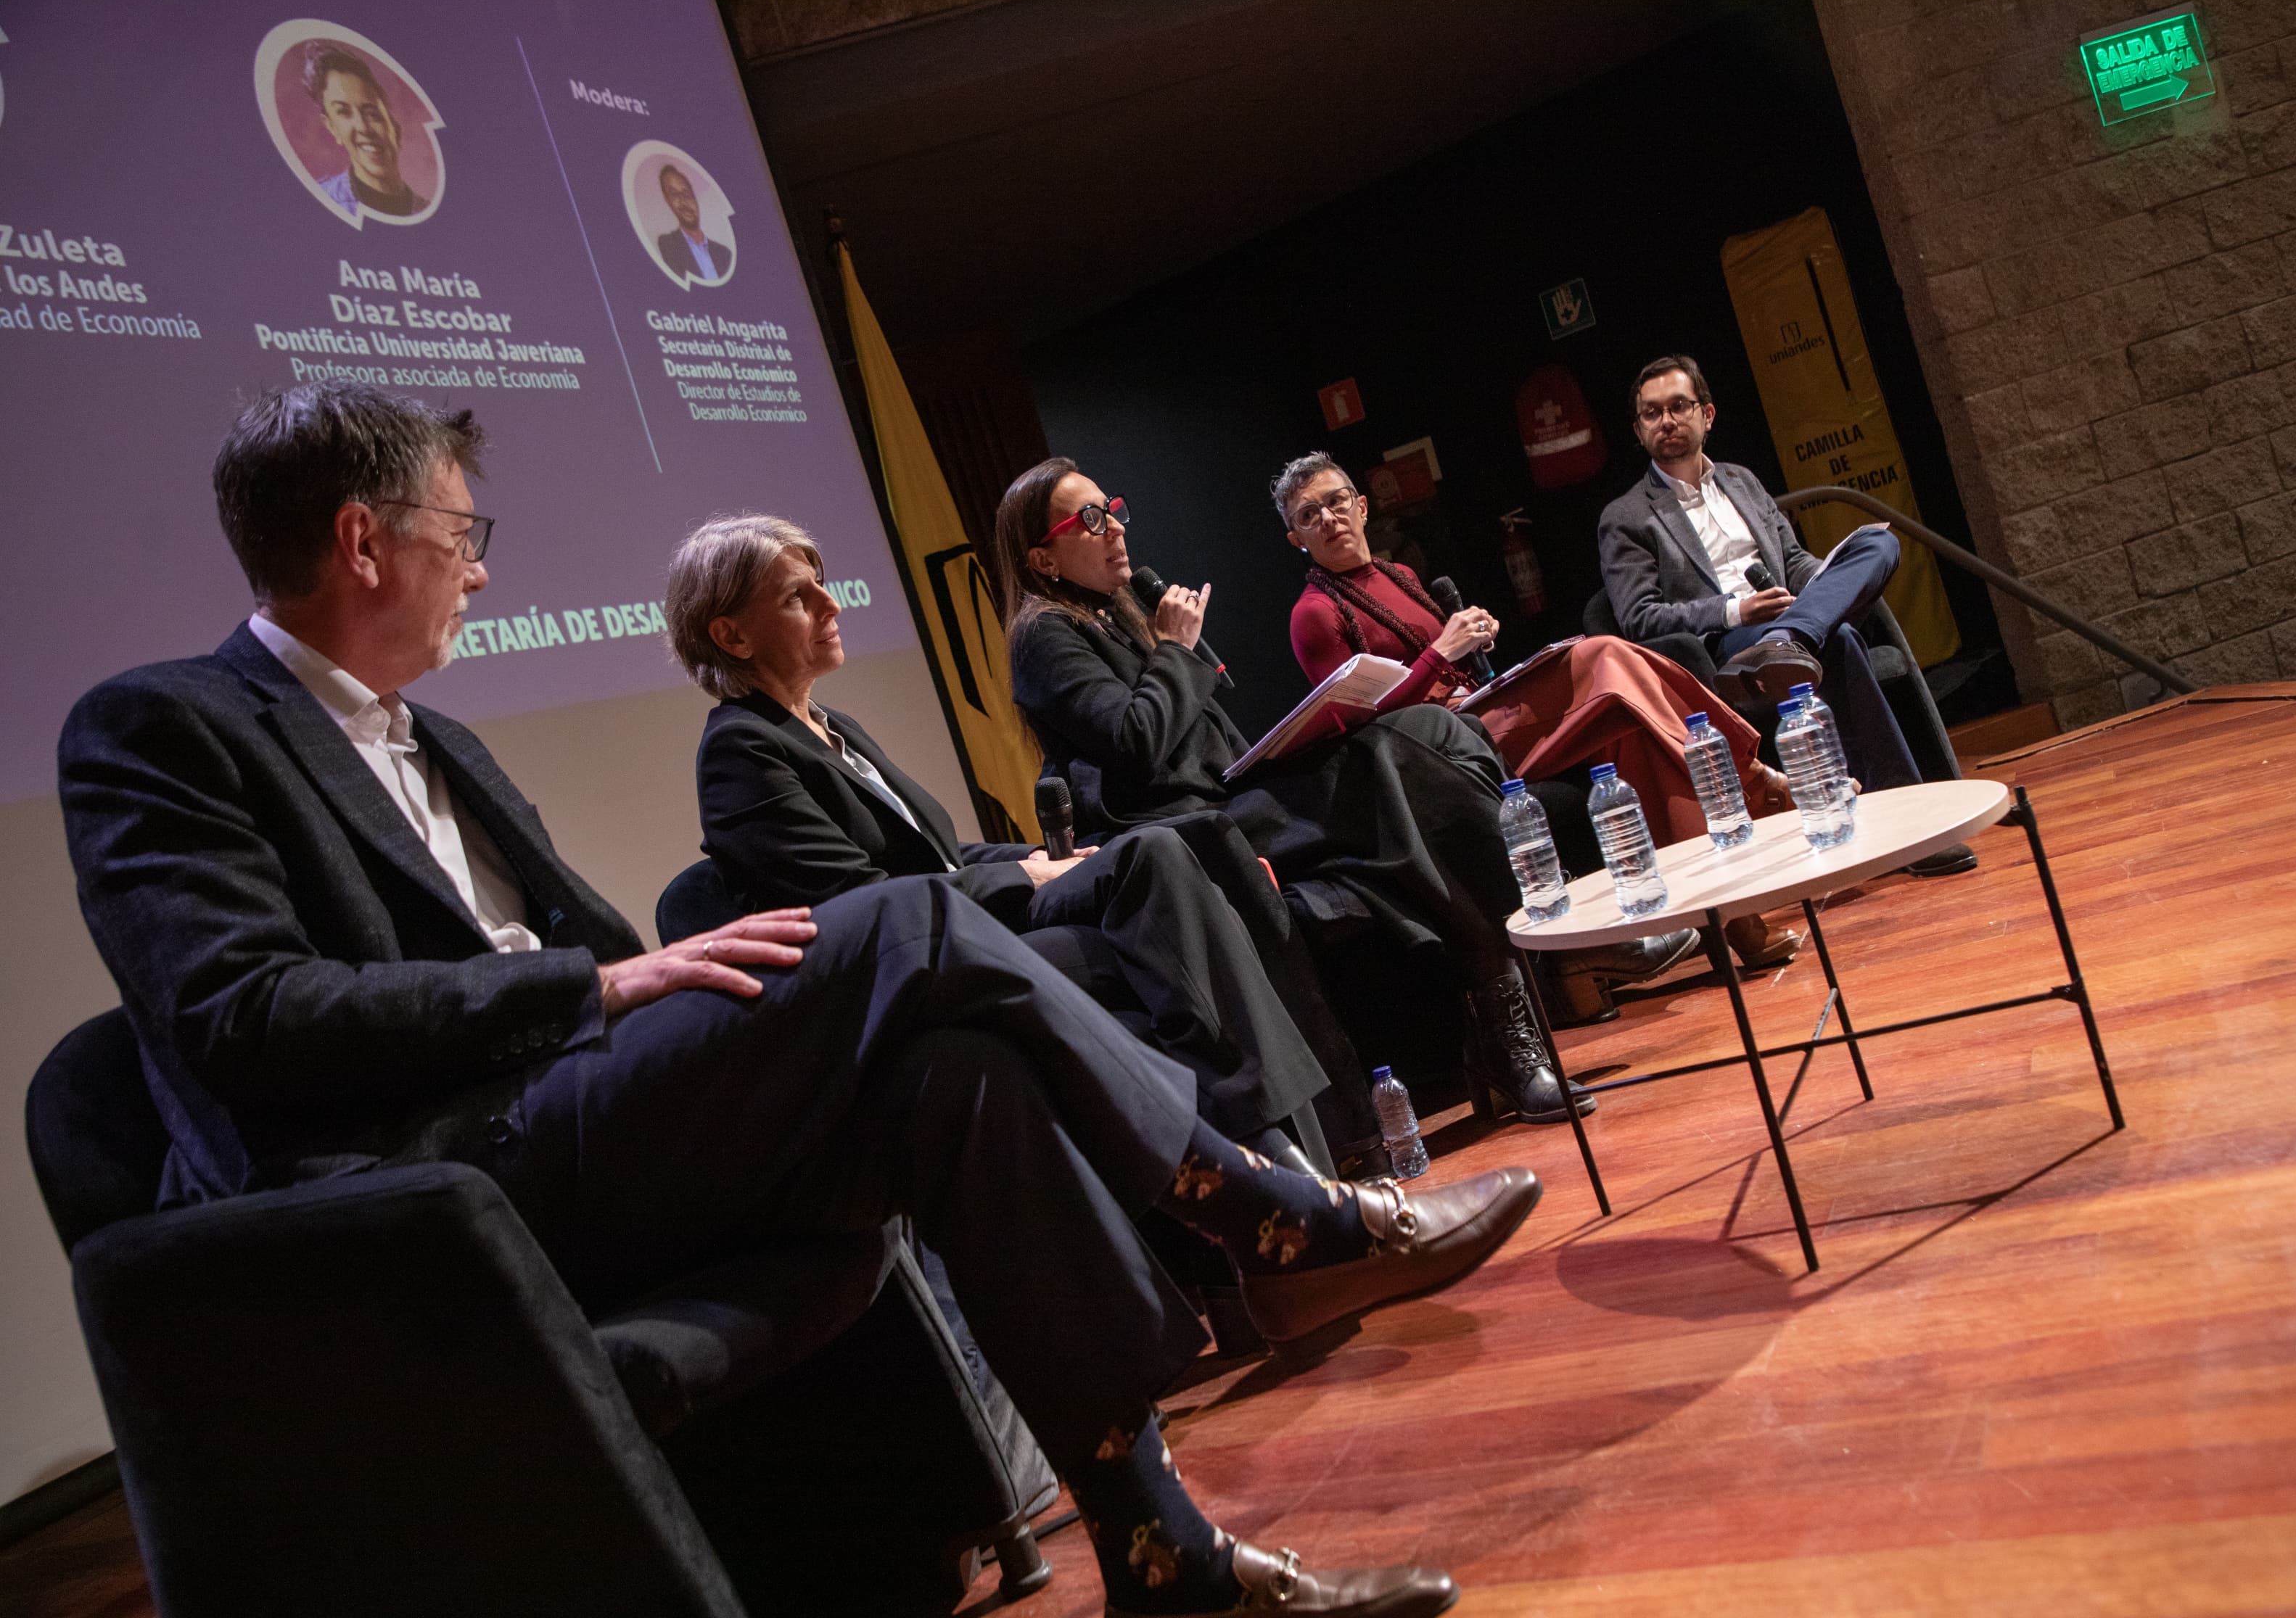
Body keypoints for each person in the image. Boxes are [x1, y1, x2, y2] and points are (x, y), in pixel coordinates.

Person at [57, 381, 1540, 1618]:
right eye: (465, 532)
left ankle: (1167, 1550)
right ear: (362, 539)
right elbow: (237, 1019)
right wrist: (601, 981)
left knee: (954, 1076)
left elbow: (596, 963)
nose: (485, 569)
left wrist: (617, 992)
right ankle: (1266, 1208)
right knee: (904, 920)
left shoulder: (438, 740)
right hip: (418, 1188)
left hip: (567, 1118)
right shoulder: (165, 728)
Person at [674, 511, 1350, 1159]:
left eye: (823, 581)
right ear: (733, 636)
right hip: (911, 976)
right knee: (1163, 926)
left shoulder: (832, 726)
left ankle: (1297, 1148)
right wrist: (1025, 877)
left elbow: (934, 852)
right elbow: (863, 905)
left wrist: (1032, 854)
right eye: (799, 596)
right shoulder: (741, 752)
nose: (832, 604)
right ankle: (1293, 1163)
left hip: (961, 929)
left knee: (1159, 849)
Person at [984, 457, 1592, 1128]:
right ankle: (1543, 949)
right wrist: (1177, 651)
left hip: (1230, 798)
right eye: (1090, 519)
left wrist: (1278, 745)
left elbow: (1198, 742)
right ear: (1042, 559)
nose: (1115, 529)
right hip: (1183, 834)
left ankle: (1513, 997)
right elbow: (1138, 741)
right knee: (1396, 758)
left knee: (1416, 730)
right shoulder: (1044, 636)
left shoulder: (1115, 614)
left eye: (1113, 509)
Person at [1275, 450, 1802, 983]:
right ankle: (1750, 774)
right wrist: (1441, 652)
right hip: (1451, 752)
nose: (1328, 519)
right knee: (1605, 655)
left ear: (1361, 507)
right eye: (1308, 515)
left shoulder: (1399, 573)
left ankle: (1733, 923)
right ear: (1296, 539)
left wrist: (1471, 638)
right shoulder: (1313, 614)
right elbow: (1358, 726)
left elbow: (1447, 662)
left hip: (1481, 710)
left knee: (1628, 734)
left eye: (1336, 501)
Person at [1596, 354, 1975, 875]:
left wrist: (1829, 576)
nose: (1665, 421)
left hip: (1788, 623)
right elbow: (1639, 618)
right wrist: (1734, 610)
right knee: (1838, 638)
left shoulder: (1743, 482)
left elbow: (1792, 563)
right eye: (1650, 413)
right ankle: (1912, 832)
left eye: (1678, 406)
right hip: (1730, 649)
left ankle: (1796, 635)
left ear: (1707, 414)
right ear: (1639, 430)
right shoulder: (1627, 516)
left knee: (1876, 546)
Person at [302, 42, 427, 220]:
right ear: (331, 127)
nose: (363, 127)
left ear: (392, 122)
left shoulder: (431, 216)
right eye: (344, 113)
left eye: (372, 113)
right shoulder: (319, 202)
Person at [654, 166, 731, 284]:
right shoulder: (668, 245)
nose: (683, 200)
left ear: (695, 198)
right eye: (674, 194)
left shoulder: (724, 253)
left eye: (686, 193)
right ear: (668, 201)